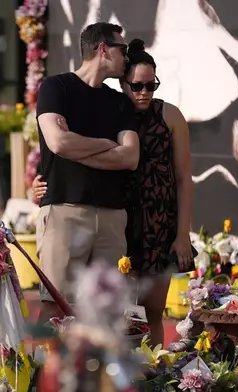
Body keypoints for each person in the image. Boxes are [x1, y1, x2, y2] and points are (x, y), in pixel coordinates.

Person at [33, 39, 194, 346]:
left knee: (150, 313)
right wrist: (46, 179)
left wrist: (182, 233)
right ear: (123, 84)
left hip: (154, 222)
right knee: (100, 309)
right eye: (137, 86)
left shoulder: (168, 116)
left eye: (152, 85)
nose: (144, 93)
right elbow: (60, 145)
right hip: (121, 216)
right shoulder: (113, 106)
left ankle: (151, 377)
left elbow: (183, 177)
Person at [35, 22, 140, 323]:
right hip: (65, 212)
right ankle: (48, 372)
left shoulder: (119, 101)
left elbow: (130, 157)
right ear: (103, 49)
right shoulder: (56, 87)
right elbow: (57, 142)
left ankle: (101, 372)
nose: (126, 59)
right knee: (55, 308)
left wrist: (77, 149)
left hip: (111, 217)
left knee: (109, 312)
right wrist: (108, 145)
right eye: (122, 50)